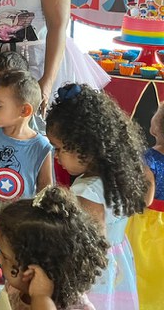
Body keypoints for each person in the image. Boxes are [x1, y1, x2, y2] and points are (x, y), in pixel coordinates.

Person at [46, 84, 152, 310]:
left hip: (94, 273)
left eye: (59, 148)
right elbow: (143, 200)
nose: (56, 157)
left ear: (86, 146)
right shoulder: (121, 175)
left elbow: (88, 244)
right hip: (117, 261)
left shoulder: (87, 192)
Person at [0, 71, 52, 283]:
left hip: (18, 224)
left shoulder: (41, 147)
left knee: (16, 267)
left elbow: (45, 186)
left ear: (24, 110)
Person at [0, 186, 109, 310]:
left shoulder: (78, 308)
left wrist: (40, 298)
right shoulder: (17, 287)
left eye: (5, 256)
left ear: (33, 272)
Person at [126, 102, 164, 310]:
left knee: (142, 271)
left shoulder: (147, 159)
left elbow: (145, 200)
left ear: (154, 128)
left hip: (148, 225)